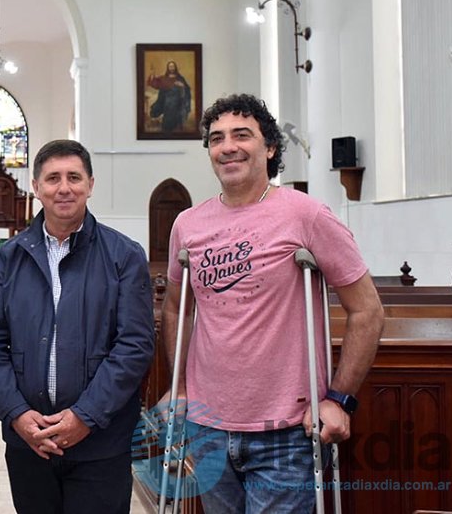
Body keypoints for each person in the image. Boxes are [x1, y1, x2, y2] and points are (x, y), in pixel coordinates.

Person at [164, 94, 384, 512]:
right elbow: (177, 307)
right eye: (216, 138)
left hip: (286, 429)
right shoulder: (187, 225)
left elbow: (367, 311)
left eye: (242, 135)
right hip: (207, 425)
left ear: (269, 148)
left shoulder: (307, 215)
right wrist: (180, 390)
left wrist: (339, 399)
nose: (227, 146)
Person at [0, 139, 155, 514]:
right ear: (37, 187)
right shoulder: (12, 256)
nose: (64, 187)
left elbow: (134, 346)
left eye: (74, 177)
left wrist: (85, 417)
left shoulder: (124, 255)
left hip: (101, 443)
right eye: (53, 178)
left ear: (90, 184)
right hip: (30, 443)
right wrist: (17, 414)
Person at [147, 60, 192, 134]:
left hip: (177, 102)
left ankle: (176, 130)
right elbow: (154, 83)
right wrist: (152, 74)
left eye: (173, 66)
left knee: (176, 119)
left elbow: (187, 89)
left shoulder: (180, 78)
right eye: (170, 66)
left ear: (175, 67)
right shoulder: (164, 78)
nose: (171, 68)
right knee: (167, 119)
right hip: (167, 102)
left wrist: (182, 86)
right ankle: (166, 130)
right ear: (168, 68)